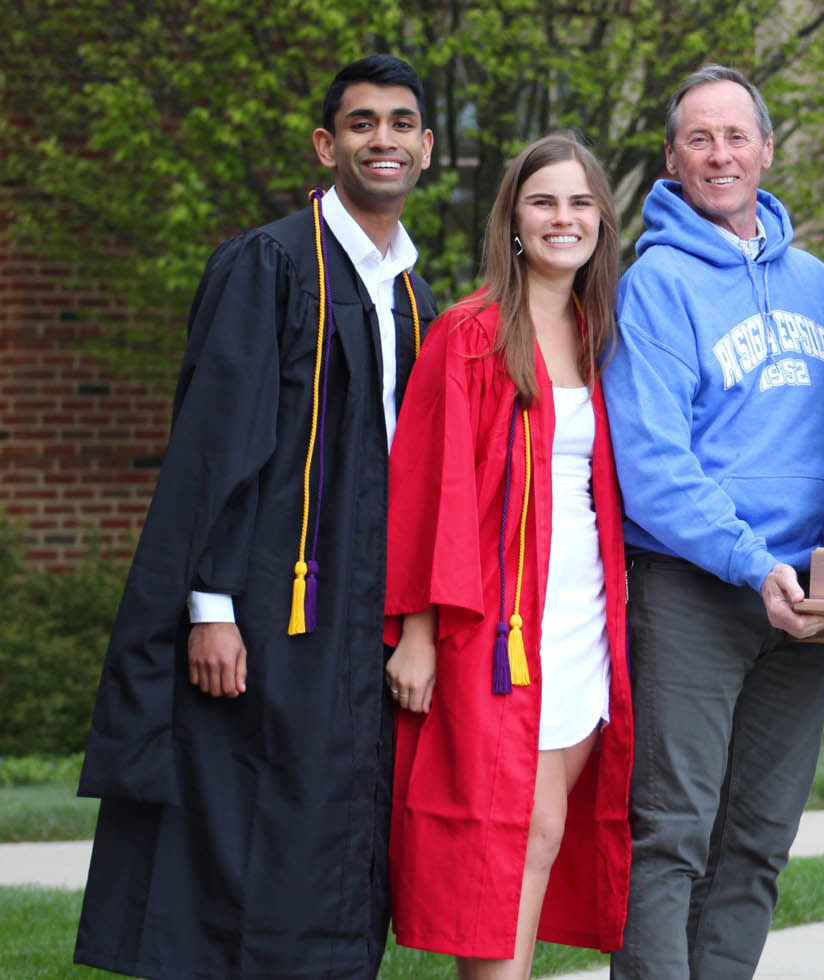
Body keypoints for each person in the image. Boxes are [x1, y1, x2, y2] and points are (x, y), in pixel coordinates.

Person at [74, 54, 437, 979]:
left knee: (330, 823)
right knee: (244, 829)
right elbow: (211, 452)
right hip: (264, 608)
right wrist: (209, 606)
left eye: (401, 124)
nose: (381, 140)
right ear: (327, 144)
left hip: (359, 614)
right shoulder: (271, 262)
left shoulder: (411, 293)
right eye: (362, 124)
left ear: (426, 149)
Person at [601, 65, 824, 979]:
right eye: (699, 138)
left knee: (757, 841)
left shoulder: (820, 284)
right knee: (672, 834)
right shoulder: (654, 286)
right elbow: (654, 467)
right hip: (695, 593)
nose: (720, 154)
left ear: (767, 150)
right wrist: (753, 565)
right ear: (672, 158)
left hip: (811, 598)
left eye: (736, 136)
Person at [381, 133, 633, 977]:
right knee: (510, 837)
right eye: (543, 201)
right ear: (514, 221)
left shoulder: (607, 337)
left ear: (601, 217)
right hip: (493, 622)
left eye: (578, 202)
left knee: (546, 830)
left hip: (581, 618)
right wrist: (417, 630)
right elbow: (426, 488)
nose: (563, 218)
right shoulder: (470, 335)